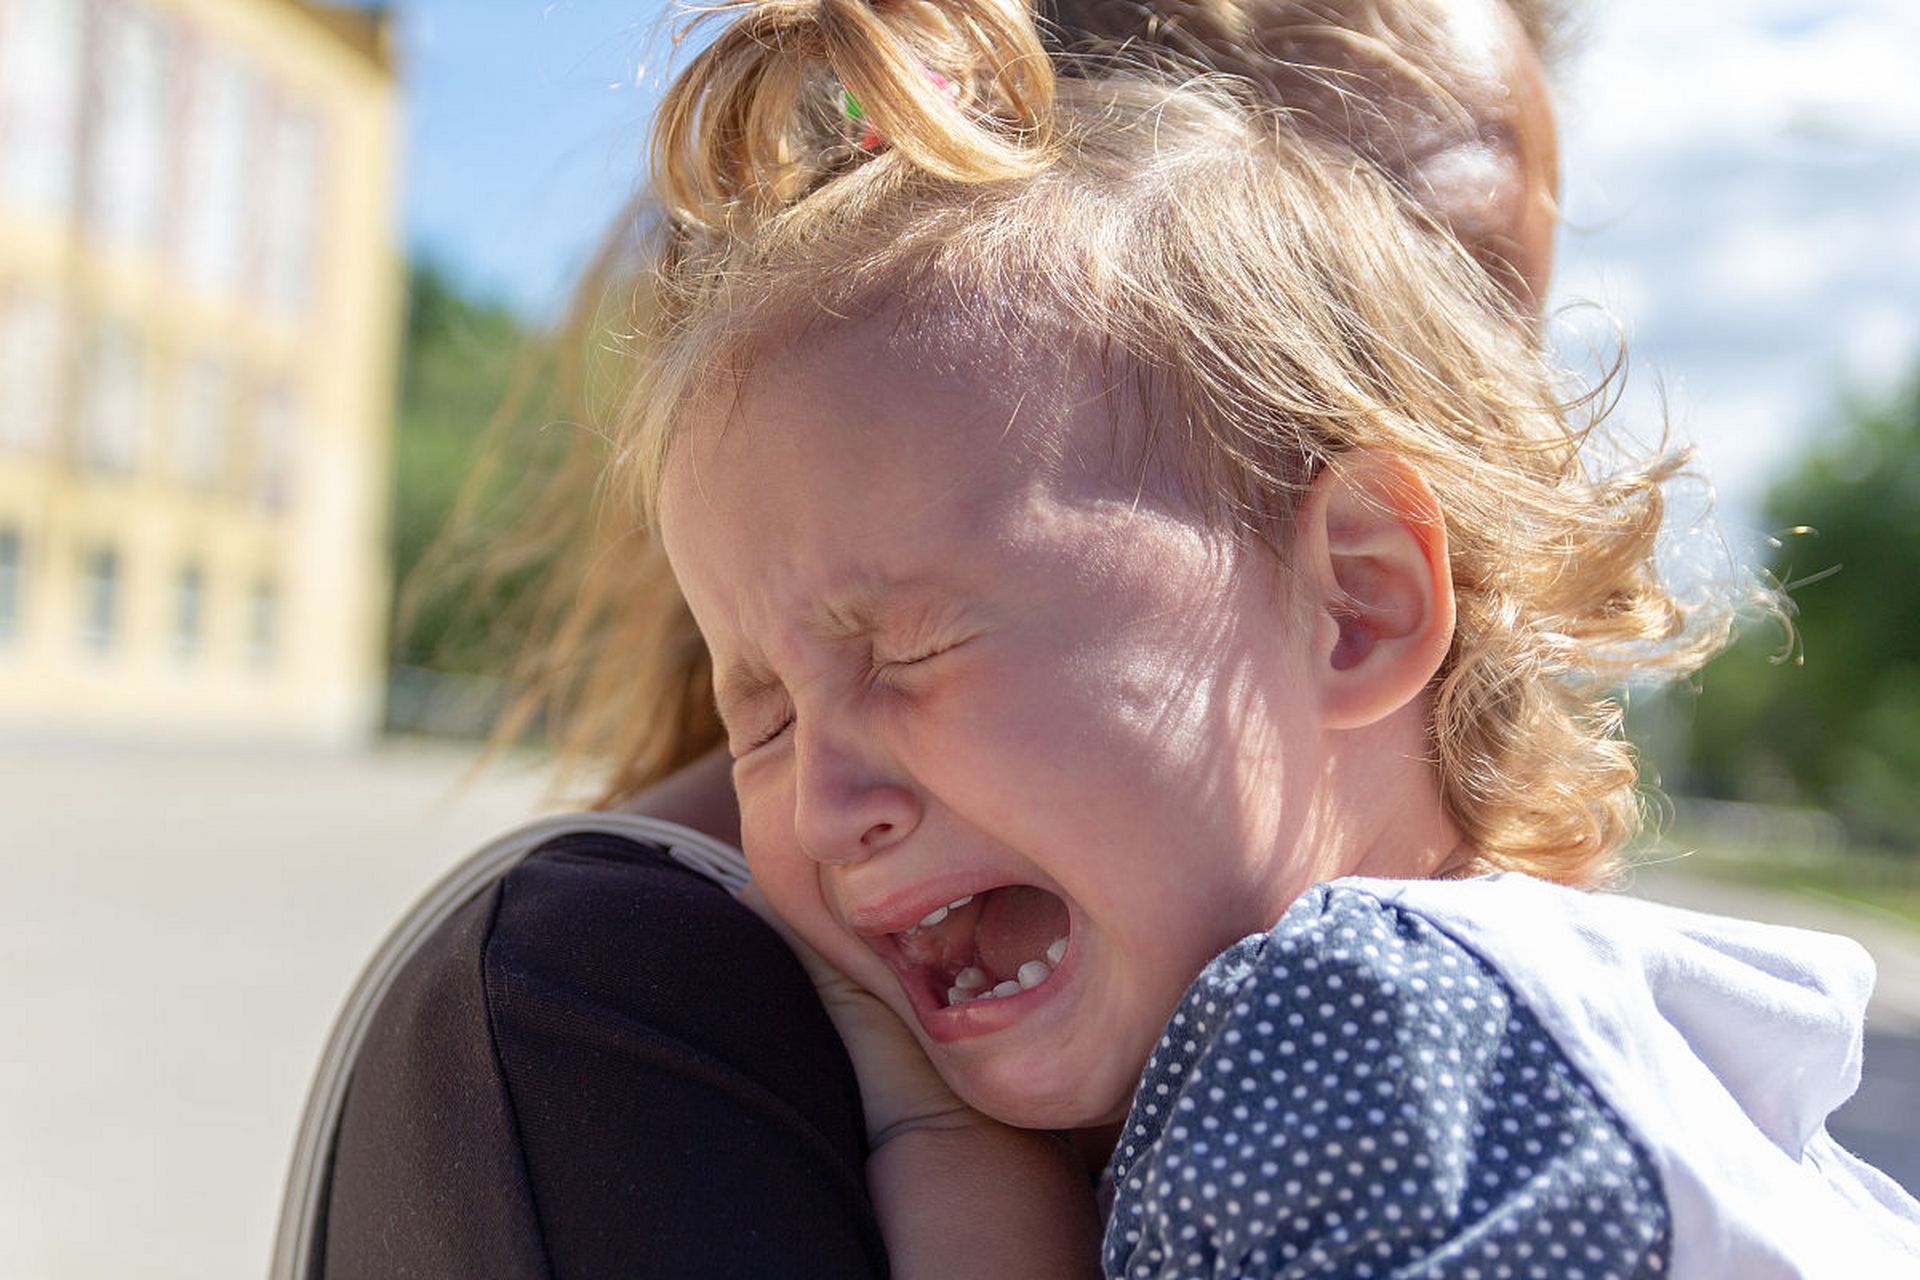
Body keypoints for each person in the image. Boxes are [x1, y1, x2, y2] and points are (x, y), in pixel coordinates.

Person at [275, 2, 1914, 1277]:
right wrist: (942, 1129)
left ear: (1359, 598)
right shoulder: (1423, 1037)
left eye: (907, 649)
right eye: (762, 703)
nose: (1501, 416)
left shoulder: (1363, 1052)